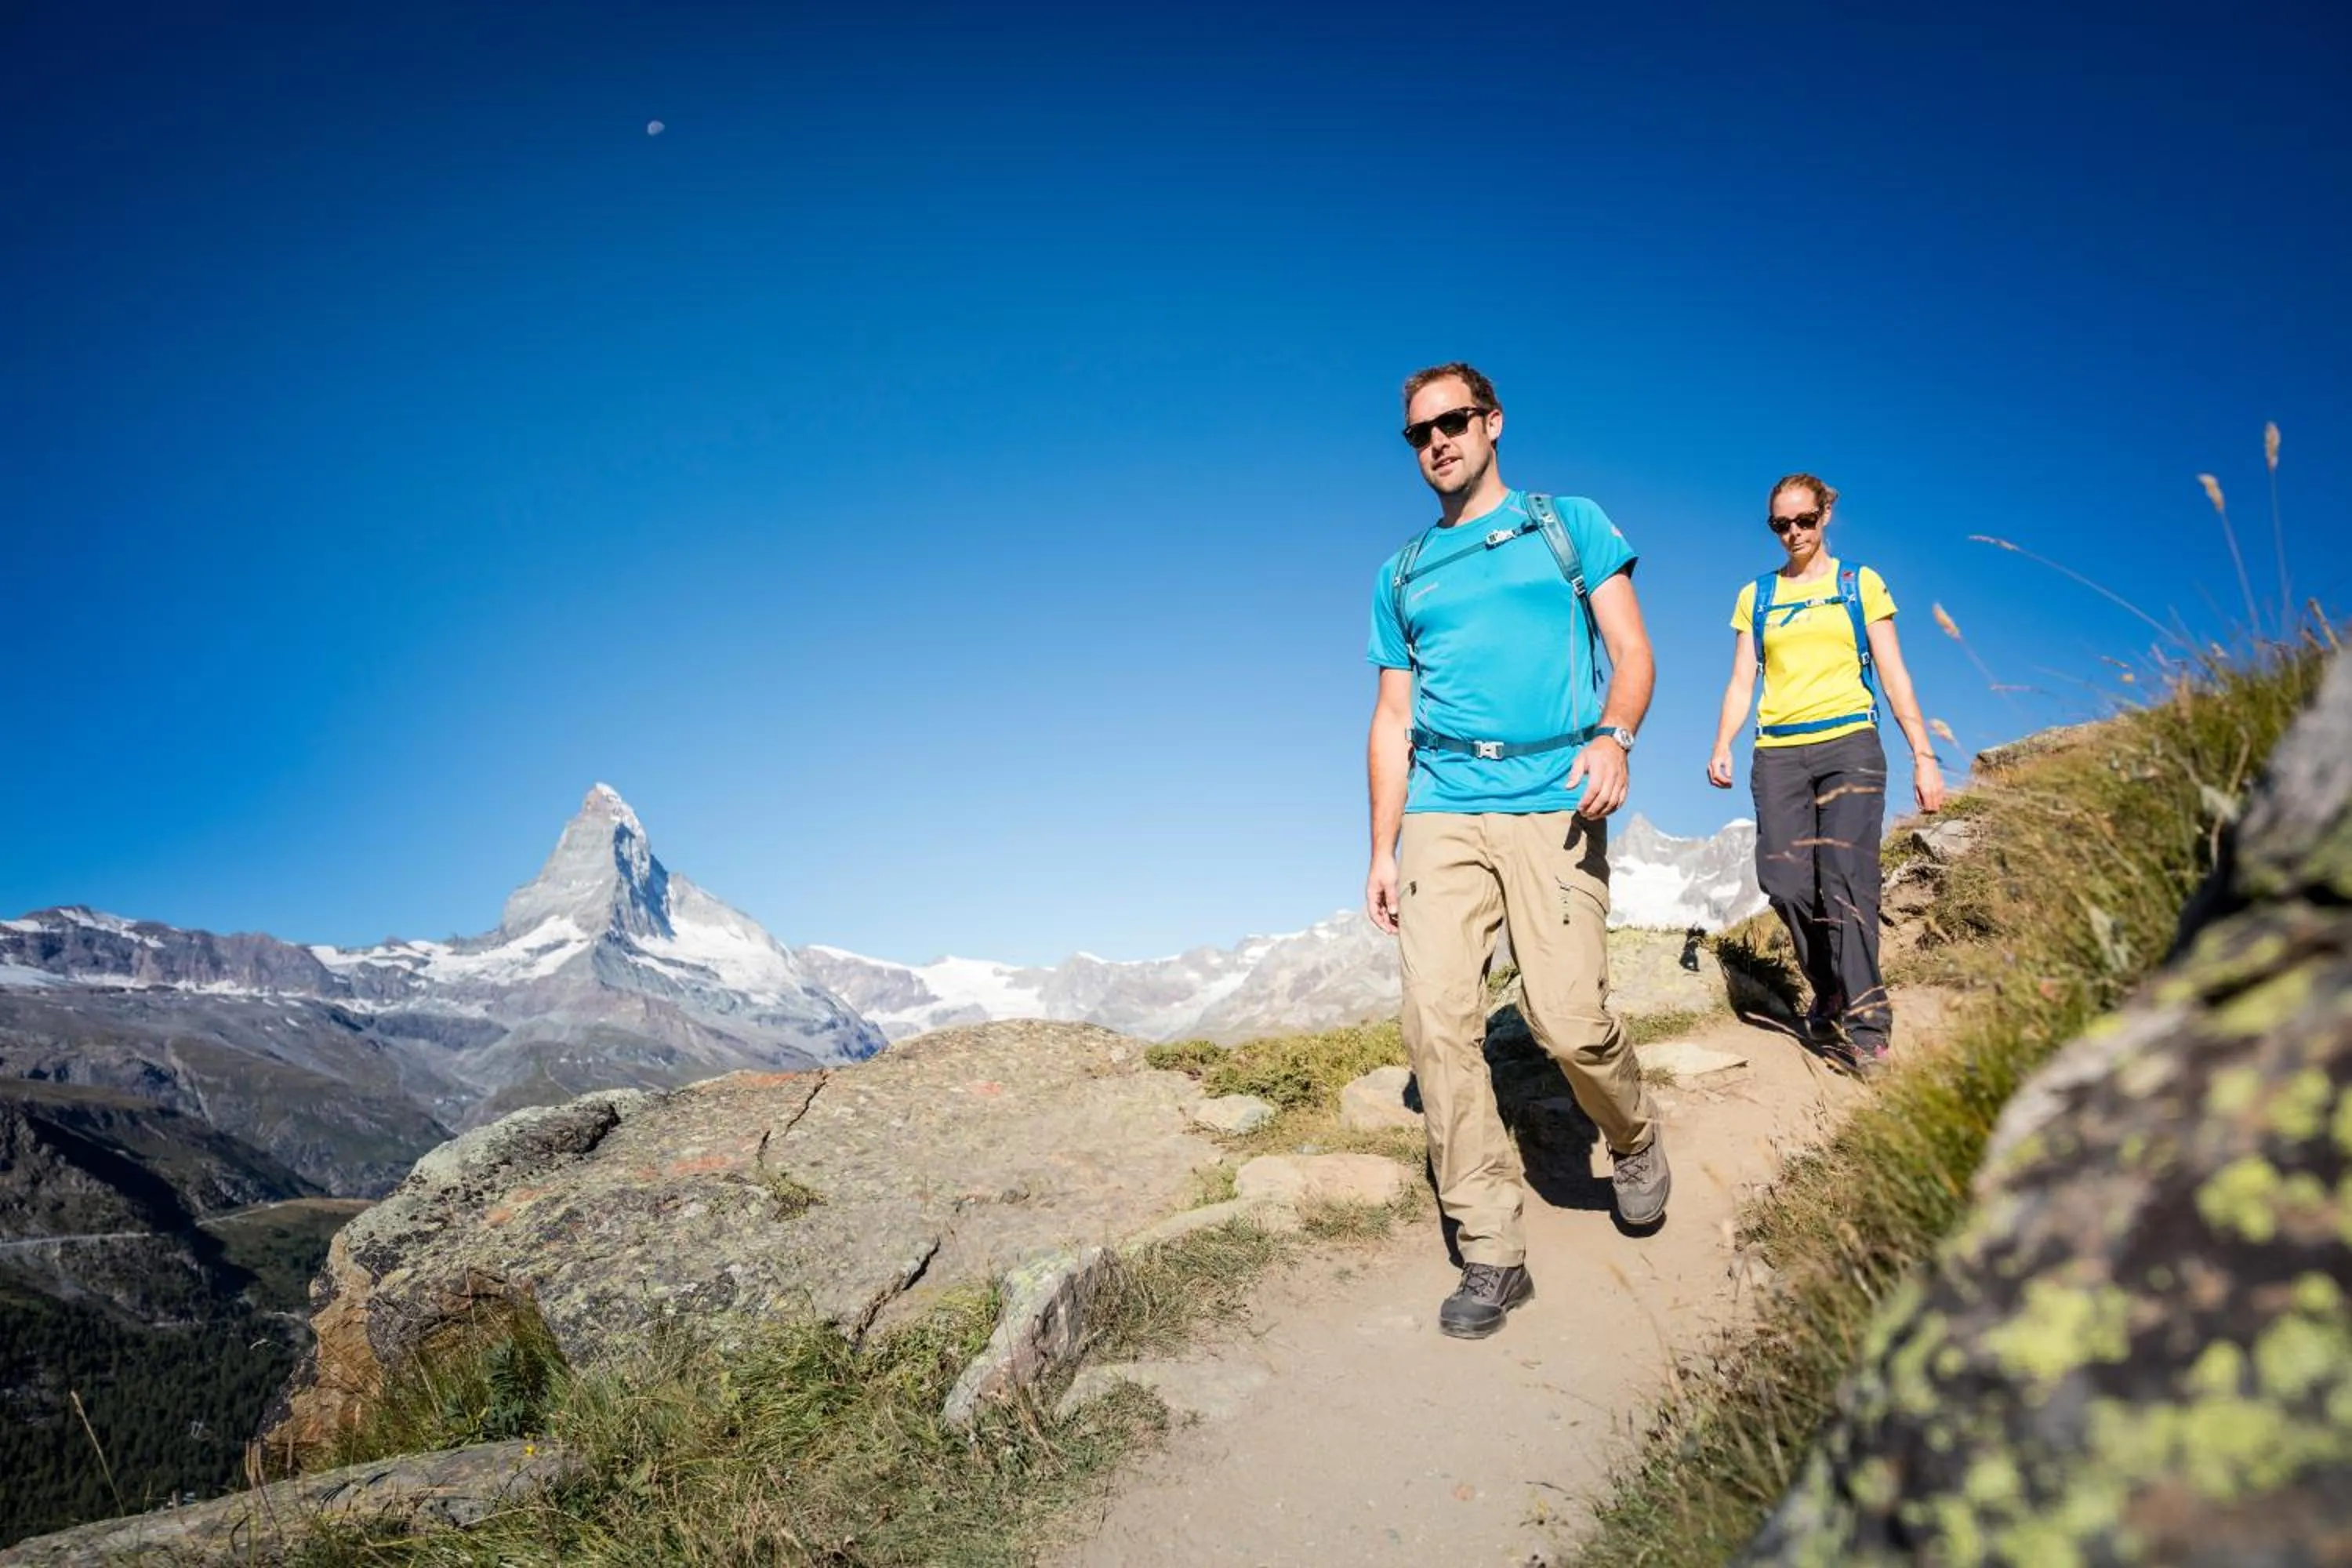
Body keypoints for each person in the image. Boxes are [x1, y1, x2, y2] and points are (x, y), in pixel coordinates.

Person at [1364, 362, 1666, 1341]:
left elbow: (1632, 650)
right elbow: (1391, 715)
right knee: (1437, 1021)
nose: (1437, 442)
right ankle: (1491, 1247)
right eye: (1418, 432)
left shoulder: (1565, 523)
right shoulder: (1401, 573)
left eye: (1453, 421)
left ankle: (1631, 1132)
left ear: (1493, 422)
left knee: (1569, 1021)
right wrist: (1381, 844)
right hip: (1443, 808)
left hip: (1555, 796)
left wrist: (1613, 736)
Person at [1705, 474, 1945, 1073]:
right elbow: (1742, 679)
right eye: (1780, 525)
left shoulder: (1858, 584)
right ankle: (1830, 985)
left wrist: (1924, 753)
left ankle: (1868, 1026)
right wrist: (1722, 742)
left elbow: (1894, 673)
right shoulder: (1757, 596)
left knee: (1846, 880)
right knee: (1783, 881)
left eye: (1804, 521)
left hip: (1851, 745)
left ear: (1825, 515)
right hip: (1778, 751)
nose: (1793, 533)